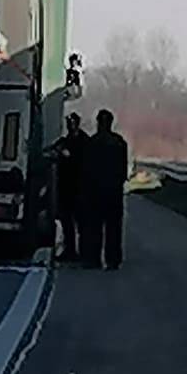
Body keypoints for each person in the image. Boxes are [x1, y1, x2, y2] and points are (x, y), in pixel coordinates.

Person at [81, 108, 129, 270]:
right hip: (114, 191)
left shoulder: (91, 143)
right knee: (114, 228)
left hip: (95, 191)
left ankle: (93, 258)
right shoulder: (119, 142)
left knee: (94, 227)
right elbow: (123, 168)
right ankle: (113, 259)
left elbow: (86, 168)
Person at [55, 112, 88, 261]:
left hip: (80, 186)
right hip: (66, 186)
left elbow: (85, 163)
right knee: (67, 222)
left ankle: (83, 252)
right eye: (68, 123)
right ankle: (70, 251)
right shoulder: (65, 141)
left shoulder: (84, 141)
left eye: (72, 123)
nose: (70, 126)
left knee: (81, 223)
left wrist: (69, 156)